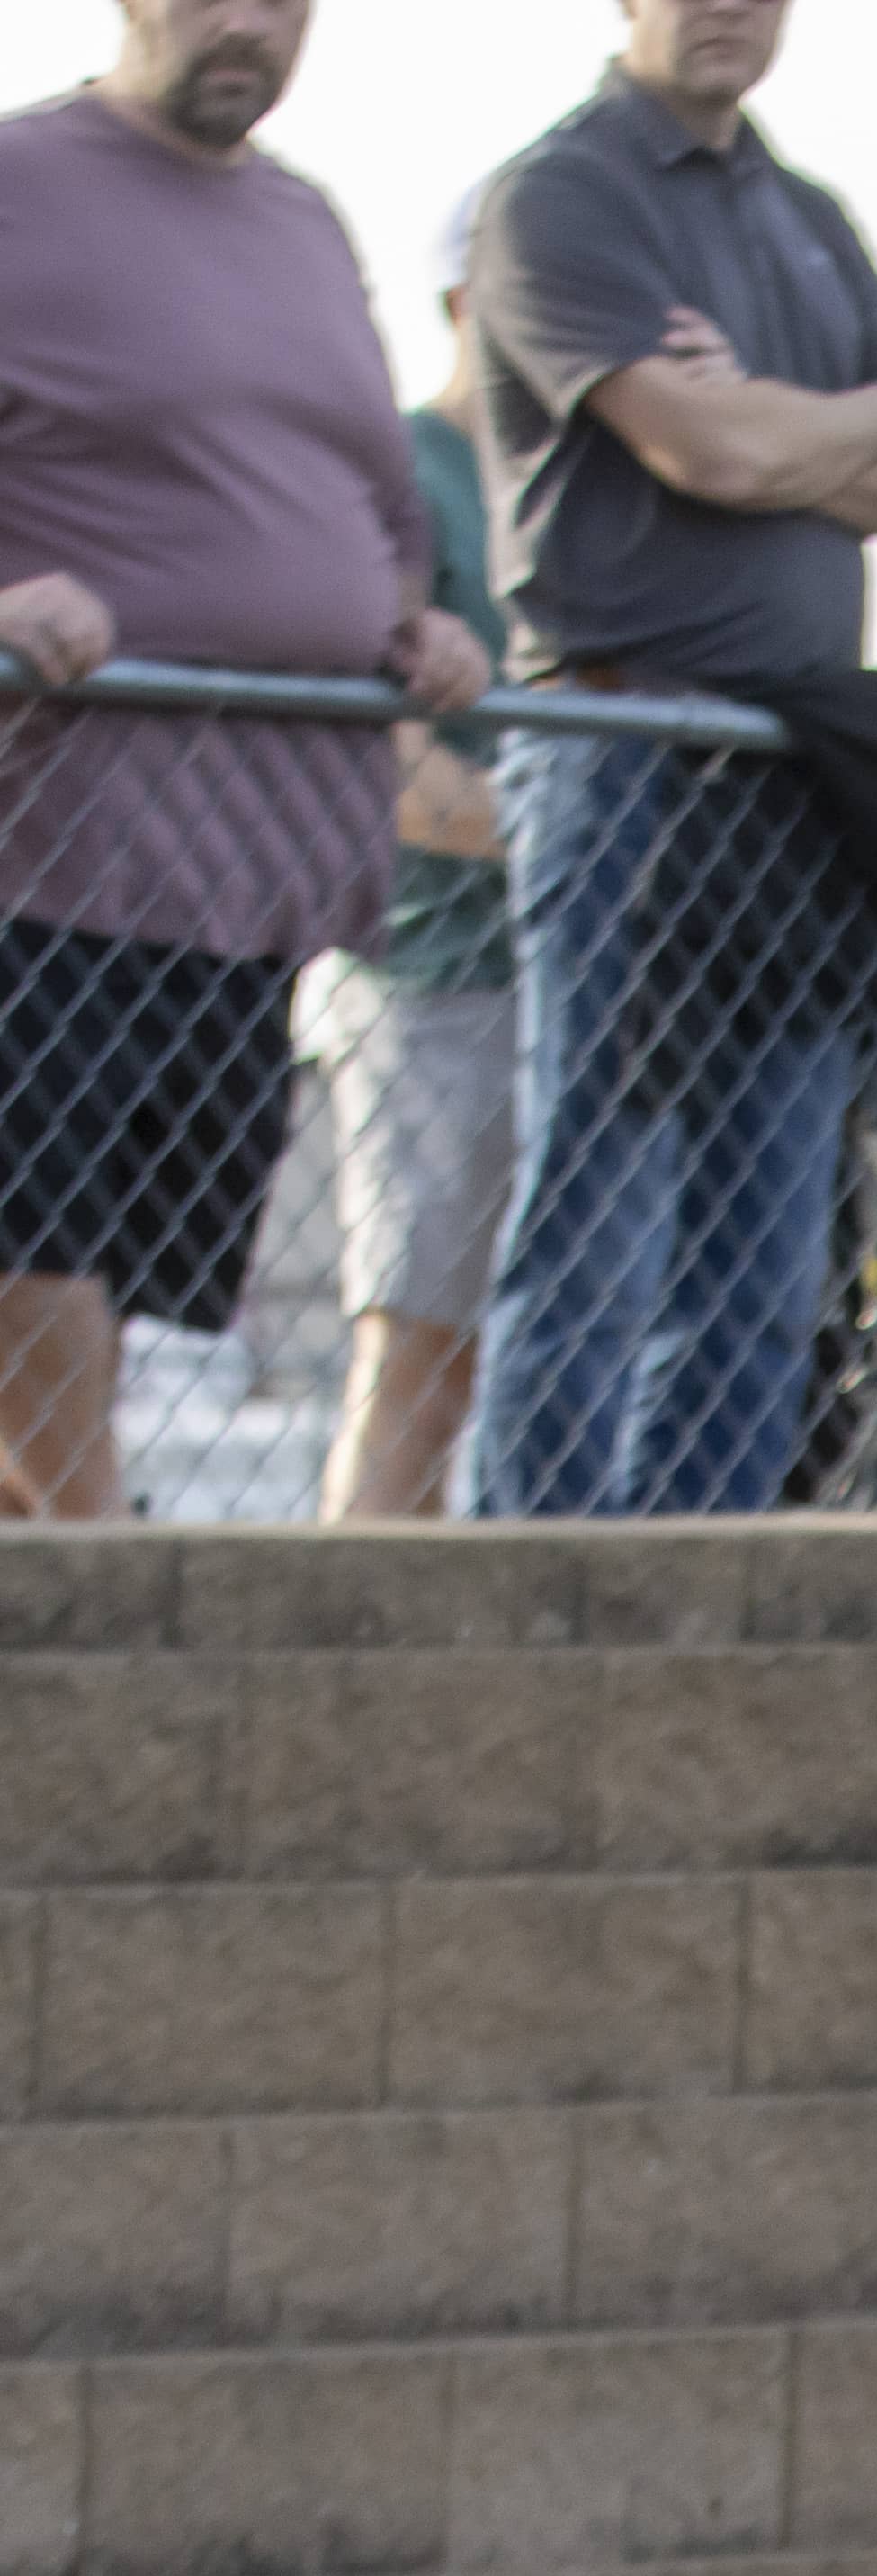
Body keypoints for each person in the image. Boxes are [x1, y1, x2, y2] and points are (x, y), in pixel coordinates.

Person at [466, 0, 877, 1521]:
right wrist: (852, 422)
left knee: (764, 1269)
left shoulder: (807, 213)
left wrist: (773, 409)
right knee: (599, 1231)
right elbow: (716, 458)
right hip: (627, 756)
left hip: (797, 782)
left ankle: (696, 1609)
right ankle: (535, 1608)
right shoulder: (560, 195)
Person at [0, 0, 478, 1526]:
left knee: (137, 1253)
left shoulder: (305, 221)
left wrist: (414, 623)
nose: (247, 26)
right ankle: (102, 1559)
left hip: (256, 846)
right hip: (51, 827)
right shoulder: (22, 180)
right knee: (35, 1230)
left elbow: (371, 485)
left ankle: (59, 1548)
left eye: (282, 1)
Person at [310, 175, 520, 1522]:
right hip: (429, 977)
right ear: (465, 300)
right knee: (417, 1358)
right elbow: (384, 765)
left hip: (578, 977)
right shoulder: (401, 469)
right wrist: (571, 846)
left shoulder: (592, 492)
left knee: (529, 1357)